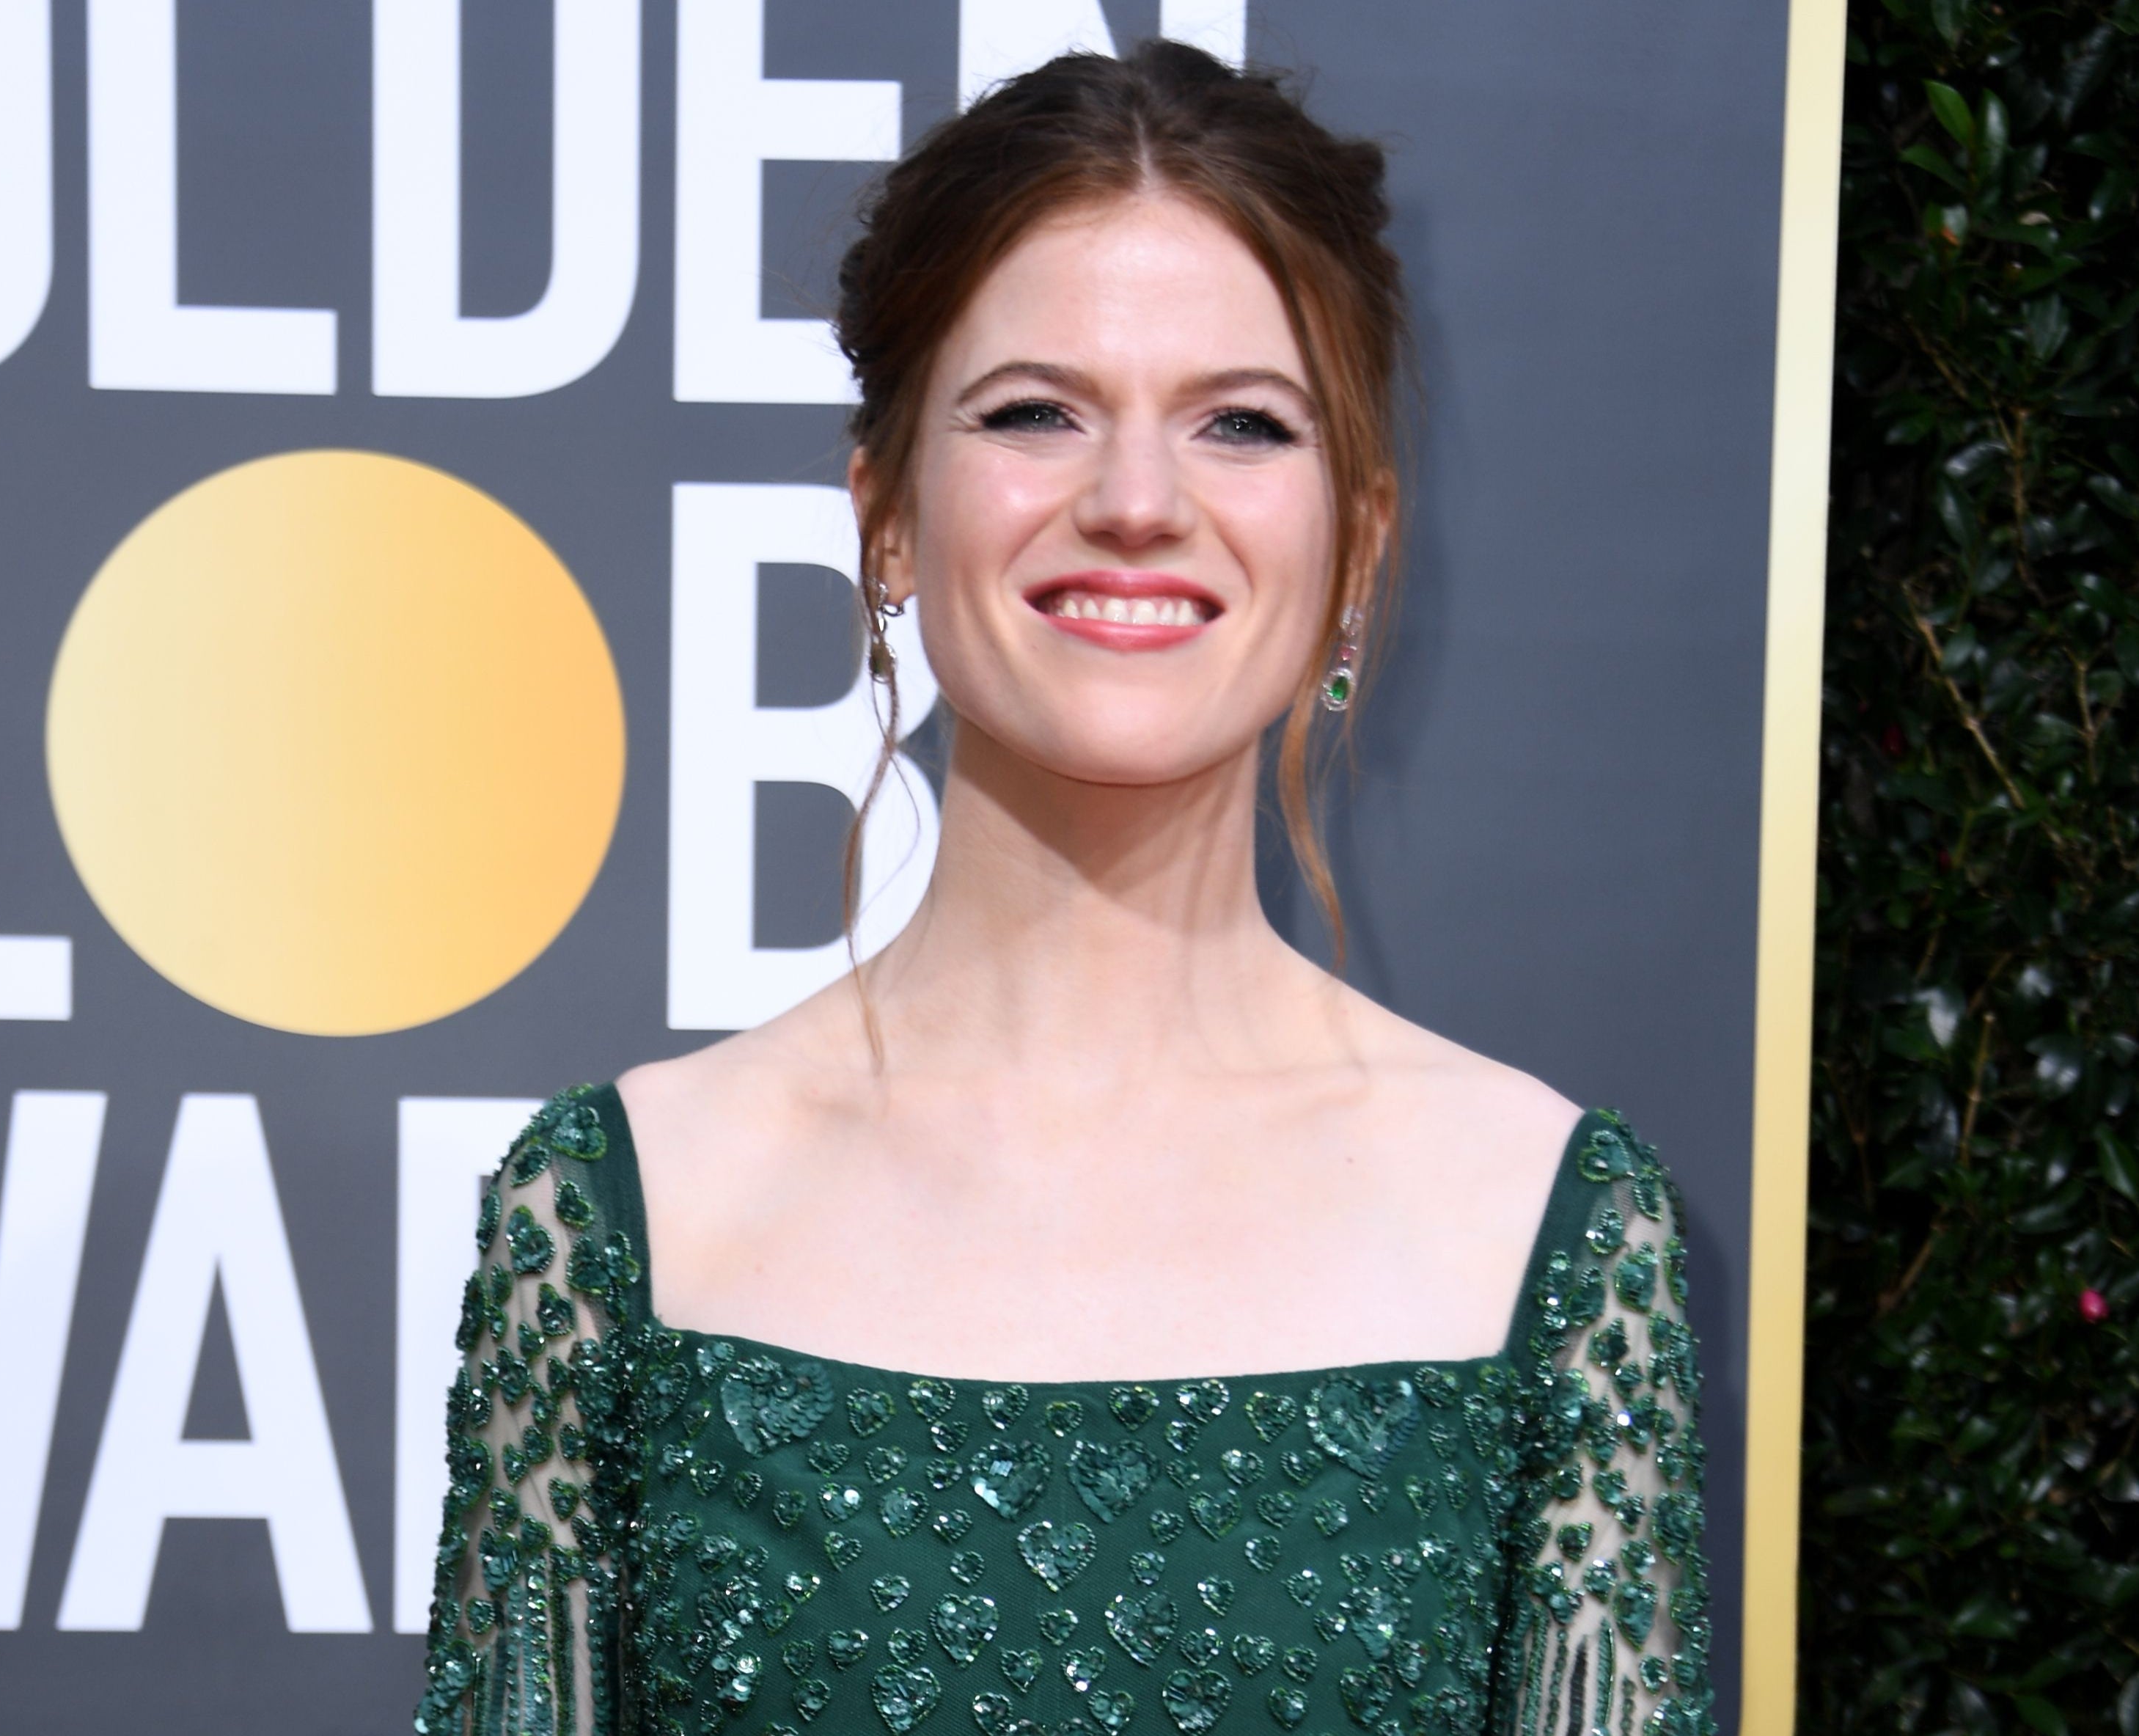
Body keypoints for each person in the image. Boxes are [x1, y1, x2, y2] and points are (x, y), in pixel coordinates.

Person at [415, 40, 1711, 1736]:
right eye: (1036, 411)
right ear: (884, 511)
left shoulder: (1550, 1227)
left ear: (1358, 545)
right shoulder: (619, 1216)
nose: (1134, 502)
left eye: (1242, 424)